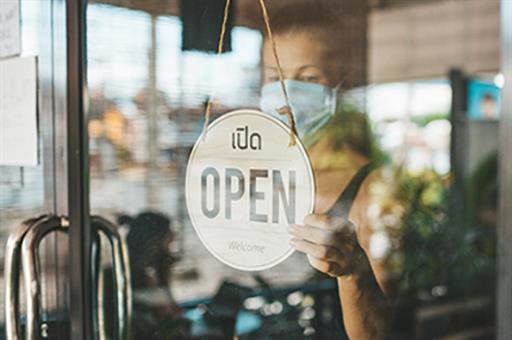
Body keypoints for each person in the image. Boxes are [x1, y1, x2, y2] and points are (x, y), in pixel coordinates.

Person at [258, 2, 391, 339]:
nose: (286, 93)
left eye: (308, 77)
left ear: (339, 84)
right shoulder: (259, 175)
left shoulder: (369, 187)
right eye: (275, 77)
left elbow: (383, 331)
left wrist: (353, 273)